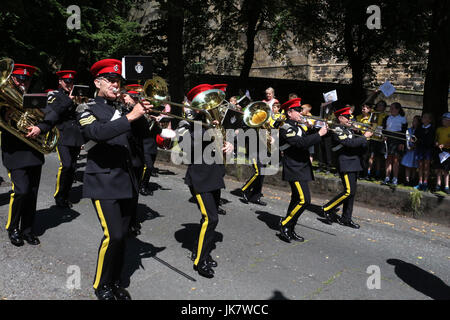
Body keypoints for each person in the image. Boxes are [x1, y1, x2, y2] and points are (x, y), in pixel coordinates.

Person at [77, 58, 150, 300]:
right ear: (97, 82)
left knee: (123, 237)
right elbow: (96, 133)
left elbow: (146, 136)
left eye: (118, 80)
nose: (116, 84)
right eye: (111, 80)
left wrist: (141, 112)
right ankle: (101, 285)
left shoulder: (125, 108)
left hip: (126, 180)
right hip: (103, 180)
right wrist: (129, 117)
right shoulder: (86, 108)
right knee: (114, 235)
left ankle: (115, 281)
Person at [179, 83, 233, 279]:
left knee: (207, 220)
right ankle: (199, 260)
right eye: (206, 99)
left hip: (215, 174)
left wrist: (228, 145)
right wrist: (209, 132)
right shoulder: (188, 121)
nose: (210, 104)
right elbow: (186, 144)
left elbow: (221, 141)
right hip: (199, 176)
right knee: (212, 218)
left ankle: (202, 250)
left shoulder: (215, 119)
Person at [2, 63, 58, 246]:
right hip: (14, 153)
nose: (23, 83)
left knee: (32, 193)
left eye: (27, 80)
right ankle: (13, 228)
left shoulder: (37, 97)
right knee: (21, 191)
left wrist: (39, 127)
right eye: (19, 79)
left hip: (34, 153)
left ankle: (27, 229)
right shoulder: (3, 98)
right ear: (11, 79)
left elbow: (51, 116)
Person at [278, 98, 327, 242]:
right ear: (289, 112)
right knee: (304, 200)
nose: (301, 113)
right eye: (297, 110)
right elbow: (300, 143)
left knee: (296, 199)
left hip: (302, 166)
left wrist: (315, 129)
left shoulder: (299, 127)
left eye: (300, 110)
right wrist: (318, 134)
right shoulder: (286, 127)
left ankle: (290, 228)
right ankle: (285, 224)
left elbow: (310, 140)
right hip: (294, 167)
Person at [320, 106, 373, 229]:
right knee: (348, 191)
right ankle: (327, 208)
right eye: (348, 117)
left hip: (354, 162)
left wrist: (363, 137)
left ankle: (346, 218)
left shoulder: (349, 130)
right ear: (340, 118)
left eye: (351, 117)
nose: (351, 119)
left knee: (352, 193)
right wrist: (364, 137)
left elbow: (358, 146)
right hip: (345, 162)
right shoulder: (337, 129)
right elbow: (349, 144)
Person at [49, 70, 85, 208]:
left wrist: (80, 103)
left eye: (71, 82)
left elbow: (81, 117)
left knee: (73, 167)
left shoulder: (77, 96)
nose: (69, 84)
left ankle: (66, 194)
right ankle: (59, 195)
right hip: (62, 135)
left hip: (76, 136)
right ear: (60, 82)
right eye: (66, 82)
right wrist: (69, 100)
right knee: (66, 165)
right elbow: (54, 112)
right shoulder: (54, 95)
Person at [382, 102, 407, 186]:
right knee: (388, 159)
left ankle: (395, 178)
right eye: (390, 108)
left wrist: (402, 143)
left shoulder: (402, 119)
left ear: (398, 109)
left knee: (396, 160)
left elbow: (404, 132)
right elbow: (384, 129)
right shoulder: (387, 118)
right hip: (388, 139)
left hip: (397, 139)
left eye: (392, 108)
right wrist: (384, 135)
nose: (390, 110)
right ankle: (387, 177)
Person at [367, 100, 389, 180]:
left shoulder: (386, 116)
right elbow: (370, 124)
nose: (380, 107)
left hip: (381, 138)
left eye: (382, 105)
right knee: (371, 155)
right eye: (379, 105)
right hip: (373, 137)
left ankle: (377, 173)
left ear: (384, 107)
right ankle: (368, 172)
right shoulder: (373, 114)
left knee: (379, 157)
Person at [413, 113, 435, 191]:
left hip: (427, 150)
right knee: (420, 166)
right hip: (420, 149)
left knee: (426, 166)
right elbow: (415, 137)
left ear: (429, 120)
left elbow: (431, 141)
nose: (423, 118)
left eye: (425, 117)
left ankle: (425, 183)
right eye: (423, 117)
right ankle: (420, 182)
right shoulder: (419, 128)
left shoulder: (432, 129)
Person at [401, 115, 421, 186]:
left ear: (418, 122)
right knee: (407, 165)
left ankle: (412, 179)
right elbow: (407, 138)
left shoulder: (419, 131)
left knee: (414, 166)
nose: (413, 122)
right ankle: (407, 179)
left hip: (415, 151)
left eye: (415, 121)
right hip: (409, 150)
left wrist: (414, 146)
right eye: (413, 120)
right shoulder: (409, 130)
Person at [355, 102, 373, 179]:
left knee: (364, 157)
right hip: (358, 137)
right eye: (363, 107)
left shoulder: (371, 118)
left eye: (365, 107)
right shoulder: (358, 117)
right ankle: (358, 173)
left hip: (366, 139)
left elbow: (371, 128)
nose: (363, 109)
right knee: (358, 156)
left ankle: (365, 174)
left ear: (369, 109)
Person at [434, 112, 450, 194]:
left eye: (445, 119)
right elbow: (436, 139)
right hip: (439, 151)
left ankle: (446, 186)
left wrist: (444, 145)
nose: (443, 121)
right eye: (443, 119)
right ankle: (438, 185)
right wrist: (437, 143)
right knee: (438, 169)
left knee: (446, 170)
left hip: (447, 152)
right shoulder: (439, 129)